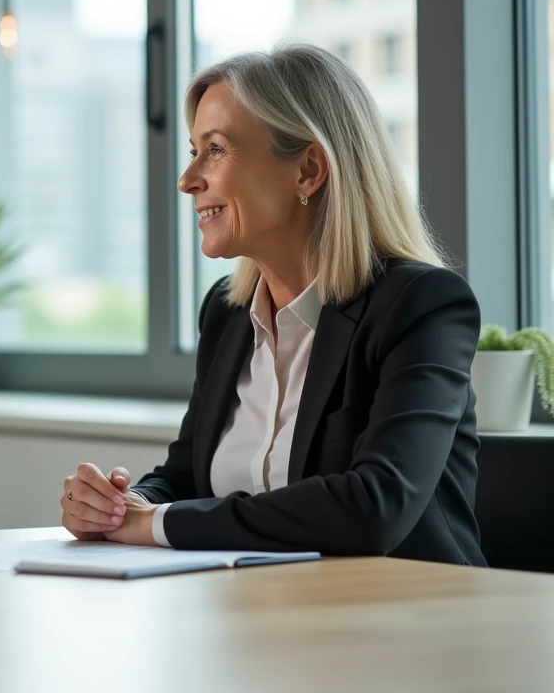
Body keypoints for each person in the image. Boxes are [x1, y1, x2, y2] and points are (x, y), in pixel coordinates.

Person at [60, 45, 484, 566]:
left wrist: (157, 523)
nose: (188, 180)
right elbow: (187, 477)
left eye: (215, 150)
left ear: (307, 170)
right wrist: (119, 506)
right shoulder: (226, 313)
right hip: (259, 607)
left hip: (413, 608)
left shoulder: (420, 306)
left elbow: (376, 507)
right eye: (193, 151)